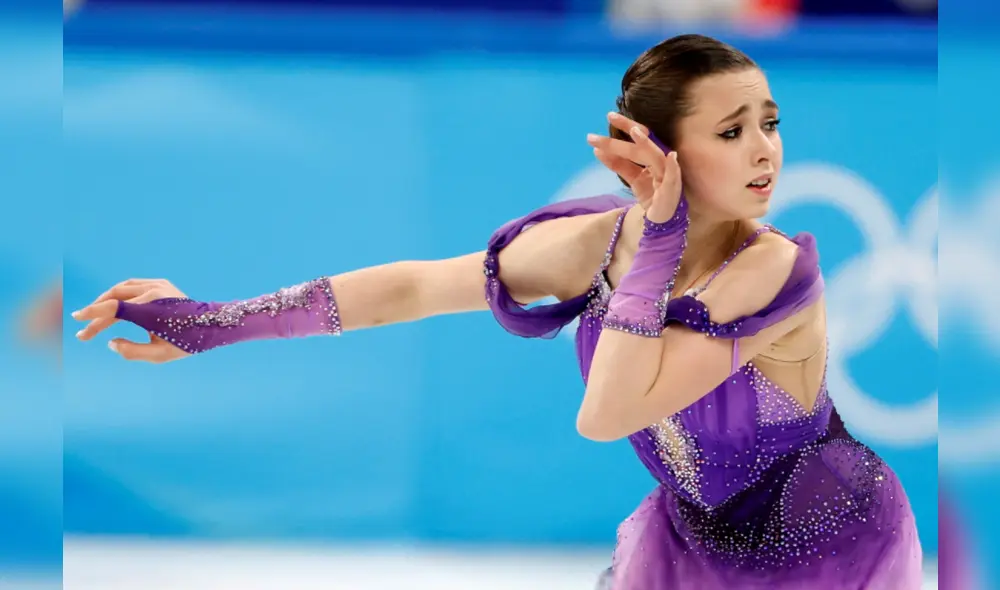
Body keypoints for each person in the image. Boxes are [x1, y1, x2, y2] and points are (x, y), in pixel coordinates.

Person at [71, 34, 923, 589]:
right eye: (733, 131)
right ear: (651, 150)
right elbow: (408, 287)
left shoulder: (774, 272)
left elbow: (610, 412)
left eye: (768, 123)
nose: (767, 150)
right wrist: (208, 322)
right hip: (692, 540)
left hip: (827, 542)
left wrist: (659, 244)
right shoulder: (597, 246)